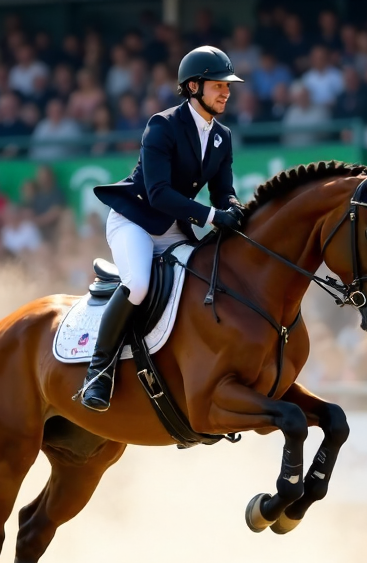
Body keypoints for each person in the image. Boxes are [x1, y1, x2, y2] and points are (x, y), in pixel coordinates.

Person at [81, 46, 245, 412]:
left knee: (207, 280)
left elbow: (223, 191)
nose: (226, 92)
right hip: (136, 220)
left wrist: (233, 207)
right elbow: (158, 193)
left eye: (227, 86)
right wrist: (212, 216)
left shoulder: (222, 135)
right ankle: (99, 371)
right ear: (193, 86)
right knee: (138, 284)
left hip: (174, 228)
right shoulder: (163, 125)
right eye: (219, 85)